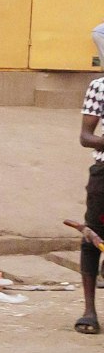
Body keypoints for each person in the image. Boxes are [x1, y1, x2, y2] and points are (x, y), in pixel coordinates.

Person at [76, 72, 104, 334]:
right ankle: (89, 311)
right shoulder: (100, 86)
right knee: (92, 237)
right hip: (103, 175)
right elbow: (86, 137)